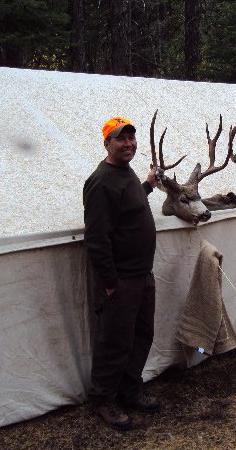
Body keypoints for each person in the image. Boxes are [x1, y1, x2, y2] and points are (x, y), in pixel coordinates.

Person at [83, 116, 161, 431]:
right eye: (120, 139)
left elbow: (129, 204)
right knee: (114, 342)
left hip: (142, 275)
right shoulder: (100, 181)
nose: (128, 144)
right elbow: (97, 239)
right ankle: (104, 401)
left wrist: (148, 185)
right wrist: (111, 283)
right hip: (121, 282)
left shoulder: (126, 175)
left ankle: (130, 391)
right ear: (107, 143)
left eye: (131, 138)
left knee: (142, 336)